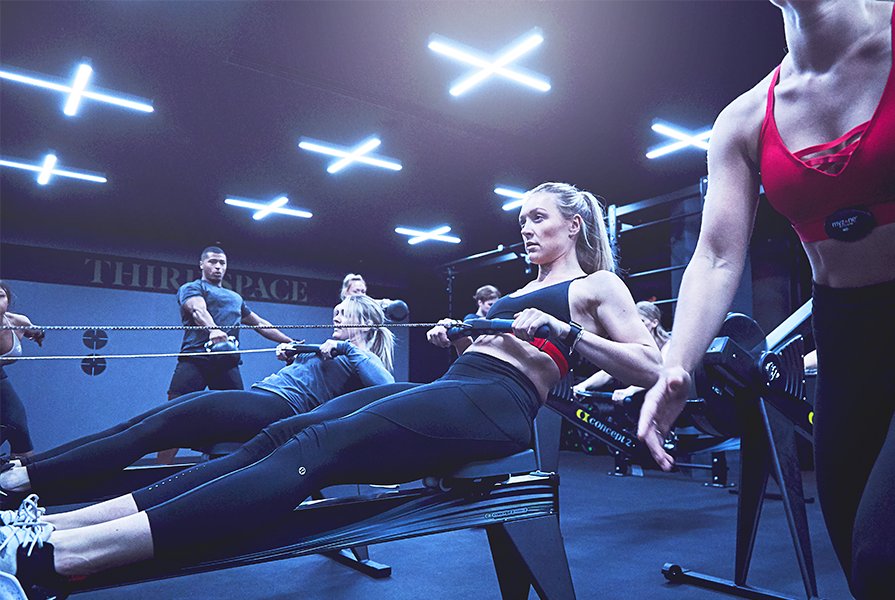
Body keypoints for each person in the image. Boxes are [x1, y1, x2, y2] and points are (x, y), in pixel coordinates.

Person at [0, 182, 660, 590]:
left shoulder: (596, 286)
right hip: (465, 381)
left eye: (538, 217)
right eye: (521, 219)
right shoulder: (515, 291)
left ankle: (64, 555)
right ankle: (54, 525)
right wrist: (461, 335)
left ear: (573, 224)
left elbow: (651, 369)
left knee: (315, 447)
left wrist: (566, 334)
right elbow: (507, 337)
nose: (526, 228)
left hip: (499, 404)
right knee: (280, 433)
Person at [638, 2, 895, 599]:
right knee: (876, 578)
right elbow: (717, 255)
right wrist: (675, 363)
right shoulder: (744, 119)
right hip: (848, 350)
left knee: (894, 559)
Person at [0, 294, 395, 505]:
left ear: (363, 320)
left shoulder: (363, 357)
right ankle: (25, 468)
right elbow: (312, 358)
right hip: (259, 401)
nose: (336, 318)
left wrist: (345, 351)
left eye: (343, 313)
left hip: (275, 410)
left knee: (149, 431)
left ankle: (28, 479)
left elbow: (388, 386)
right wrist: (298, 351)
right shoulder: (330, 349)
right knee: (139, 425)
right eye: (336, 312)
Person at [159, 246, 295, 464]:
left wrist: (288, 341)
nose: (218, 267)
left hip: (226, 363)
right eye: (213, 262)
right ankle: (158, 475)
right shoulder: (192, 287)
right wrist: (213, 329)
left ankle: (234, 468)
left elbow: (260, 323)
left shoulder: (235, 298)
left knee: (237, 418)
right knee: (175, 418)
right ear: (201, 264)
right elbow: (198, 311)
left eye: (222, 263)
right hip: (195, 360)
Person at [573, 300, 670, 403]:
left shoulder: (668, 344)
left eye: (642, 321)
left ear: (654, 323)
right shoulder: (635, 344)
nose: (638, 327)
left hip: (662, 400)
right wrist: (583, 385)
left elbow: (660, 373)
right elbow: (610, 370)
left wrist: (629, 390)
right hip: (638, 400)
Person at [0, 281, 44, 461]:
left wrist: (38, 335)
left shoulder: (19, 322)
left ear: (8, 300)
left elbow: (35, 331)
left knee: (18, 427)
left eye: (0, 296)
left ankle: (20, 482)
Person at [425, 284, 501, 349]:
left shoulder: (496, 318)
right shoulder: (470, 318)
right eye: (490, 304)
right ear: (480, 303)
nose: (493, 308)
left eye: (496, 304)